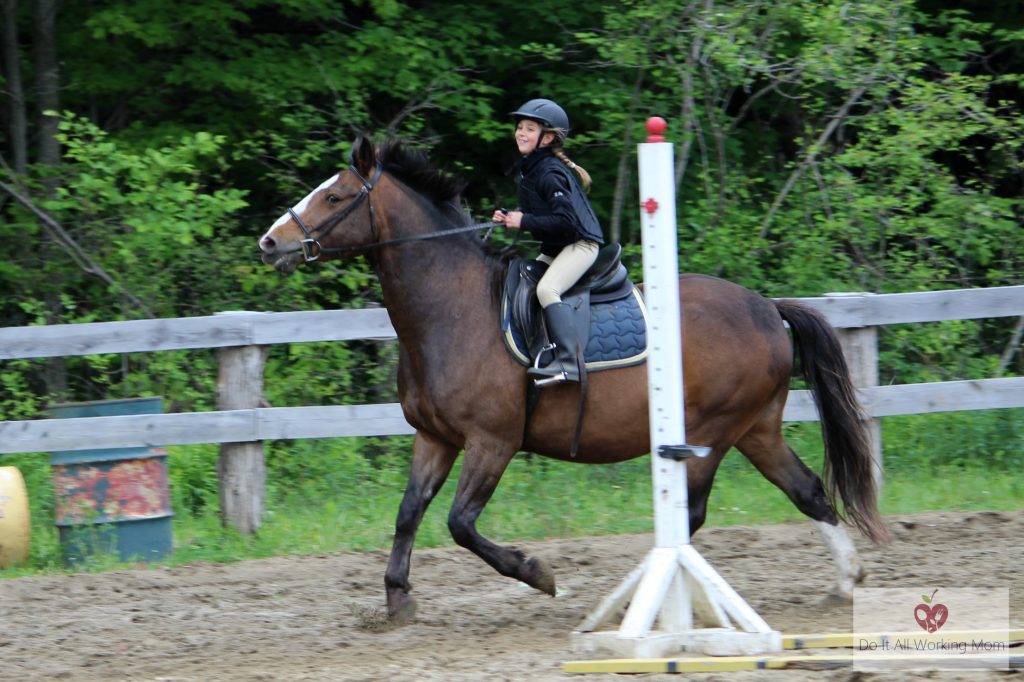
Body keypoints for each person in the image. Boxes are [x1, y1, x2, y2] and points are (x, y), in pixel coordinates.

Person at [492, 98, 605, 384]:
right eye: (519, 127)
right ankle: (540, 349)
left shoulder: (551, 173)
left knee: (547, 290)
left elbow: (566, 222)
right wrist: (510, 217)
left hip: (580, 246)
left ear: (548, 137)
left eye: (529, 129)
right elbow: (536, 214)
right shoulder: (531, 169)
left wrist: (523, 220)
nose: (521, 133)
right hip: (557, 249)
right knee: (518, 283)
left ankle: (569, 363)